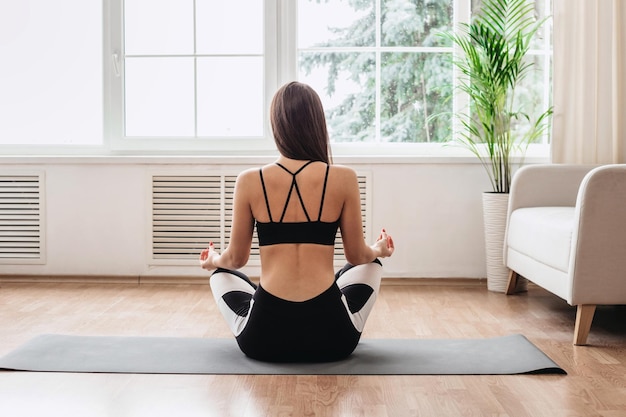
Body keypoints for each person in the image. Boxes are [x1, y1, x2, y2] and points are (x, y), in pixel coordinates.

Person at [200, 81, 395, 362]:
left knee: (221, 274)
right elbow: (357, 255)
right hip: (332, 338)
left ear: (276, 125)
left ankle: (257, 297)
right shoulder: (343, 178)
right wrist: (380, 249)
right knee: (370, 264)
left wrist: (213, 259)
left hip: (264, 339)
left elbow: (235, 260)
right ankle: (337, 293)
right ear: (317, 124)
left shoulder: (249, 181)